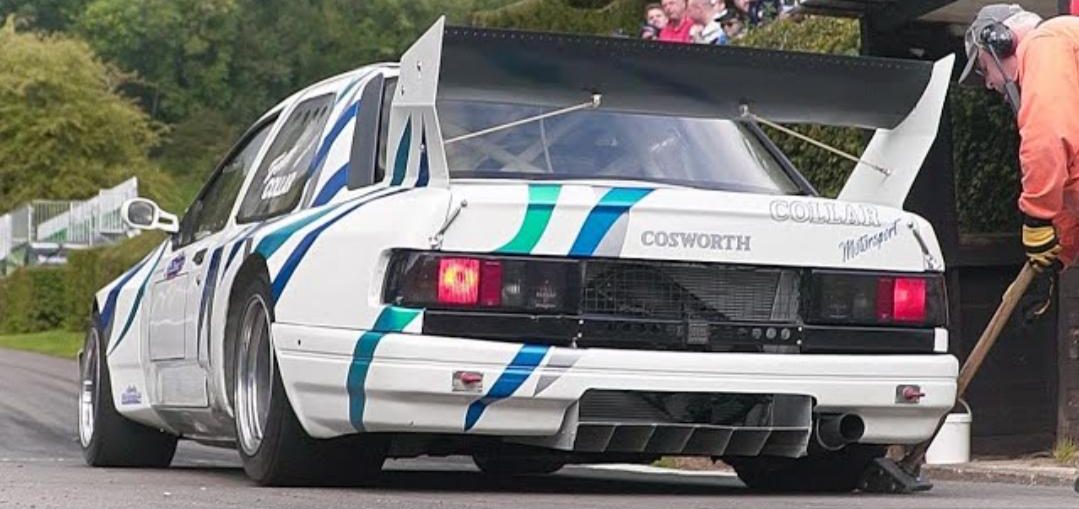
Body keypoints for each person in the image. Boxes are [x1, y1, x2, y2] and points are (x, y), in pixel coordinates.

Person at [959, 5, 1079, 279]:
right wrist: (1061, 252)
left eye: (982, 68)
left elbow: (1047, 137)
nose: (989, 83)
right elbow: (1069, 167)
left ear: (1001, 40)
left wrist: (1037, 217)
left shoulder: (1046, 42)